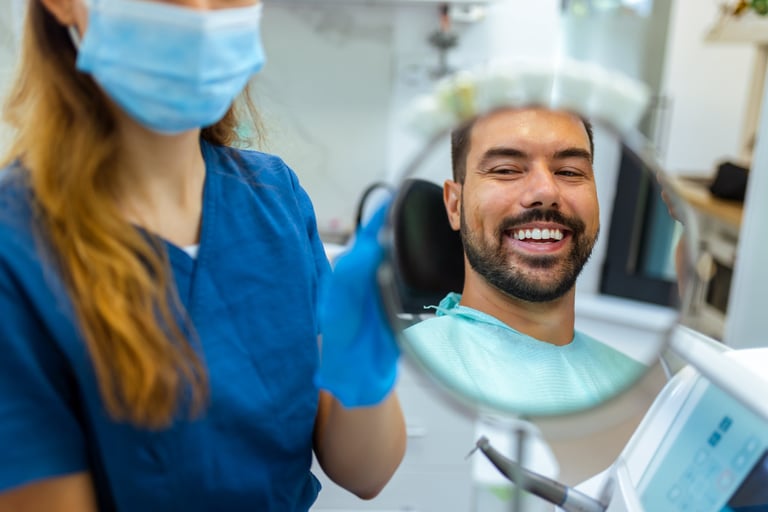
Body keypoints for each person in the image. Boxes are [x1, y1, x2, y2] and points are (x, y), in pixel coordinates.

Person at [0, 0, 405, 510]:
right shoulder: (16, 243)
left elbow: (365, 472)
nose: (200, 12)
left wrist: (362, 366)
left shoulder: (275, 197)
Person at [403, 106, 646, 415]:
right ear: (454, 205)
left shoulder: (642, 384)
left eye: (570, 172)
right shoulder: (402, 373)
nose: (546, 191)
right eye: (506, 170)